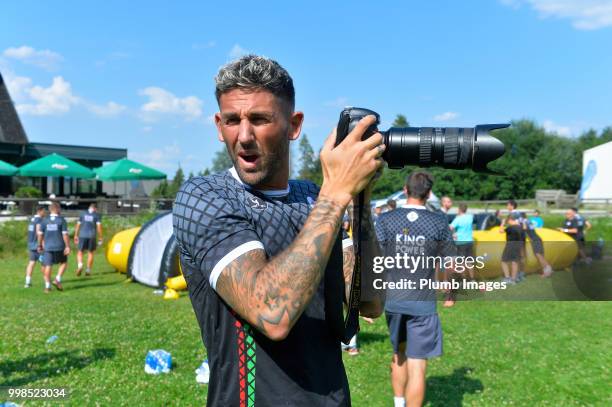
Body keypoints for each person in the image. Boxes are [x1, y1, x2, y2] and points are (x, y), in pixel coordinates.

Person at [172, 55, 384, 406]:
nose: (243, 136)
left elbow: (371, 303)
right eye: (231, 120)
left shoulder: (314, 198)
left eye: (259, 119)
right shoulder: (204, 197)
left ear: (293, 125)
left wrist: (360, 198)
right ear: (217, 124)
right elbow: (272, 314)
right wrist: (335, 195)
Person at [375, 170, 455, 407]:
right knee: (417, 364)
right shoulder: (439, 221)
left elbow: (375, 260)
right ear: (429, 193)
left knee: (399, 354)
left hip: (393, 300)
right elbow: (450, 262)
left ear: (405, 189)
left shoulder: (386, 219)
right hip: (422, 302)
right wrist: (450, 293)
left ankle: (399, 404)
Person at [38, 202, 70, 293]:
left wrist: (39, 245)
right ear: (57, 209)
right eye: (59, 208)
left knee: (48, 266)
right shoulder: (61, 220)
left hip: (48, 247)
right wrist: (67, 246)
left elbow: (40, 235)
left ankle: (47, 287)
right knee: (63, 263)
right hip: (60, 246)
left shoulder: (44, 221)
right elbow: (65, 234)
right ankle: (57, 279)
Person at [74, 203, 103, 276]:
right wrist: (100, 237)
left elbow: (78, 225)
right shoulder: (97, 215)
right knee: (91, 252)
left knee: (80, 252)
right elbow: (99, 227)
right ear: (95, 209)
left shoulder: (82, 214)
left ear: (89, 207)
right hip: (92, 236)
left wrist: (76, 235)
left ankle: (80, 265)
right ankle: (88, 270)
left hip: (82, 235)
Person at [520, 212, 553, 277]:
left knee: (539, 255)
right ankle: (547, 270)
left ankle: (548, 271)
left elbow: (524, 229)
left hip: (535, 240)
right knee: (540, 255)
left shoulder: (525, 222)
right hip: (537, 239)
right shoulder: (528, 221)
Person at [24, 205, 46, 288]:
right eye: (44, 211)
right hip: (38, 245)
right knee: (44, 263)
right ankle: (47, 281)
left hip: (31, 244)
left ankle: (27, 282)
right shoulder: (40, 220)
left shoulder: (32, 220)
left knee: (31, 262)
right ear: (39, 211)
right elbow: (38, 232)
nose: (45, 212)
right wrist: (42, 245)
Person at [499, 212, 522, 284]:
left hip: (510, 245)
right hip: (518, 245)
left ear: (510, 219)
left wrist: (502, 223)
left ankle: (507, 278)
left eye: (508, 220)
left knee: (504, 261)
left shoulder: (511, 227)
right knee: (514, 262)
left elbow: (501, 231)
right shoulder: (519, 226)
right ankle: (513, 279)